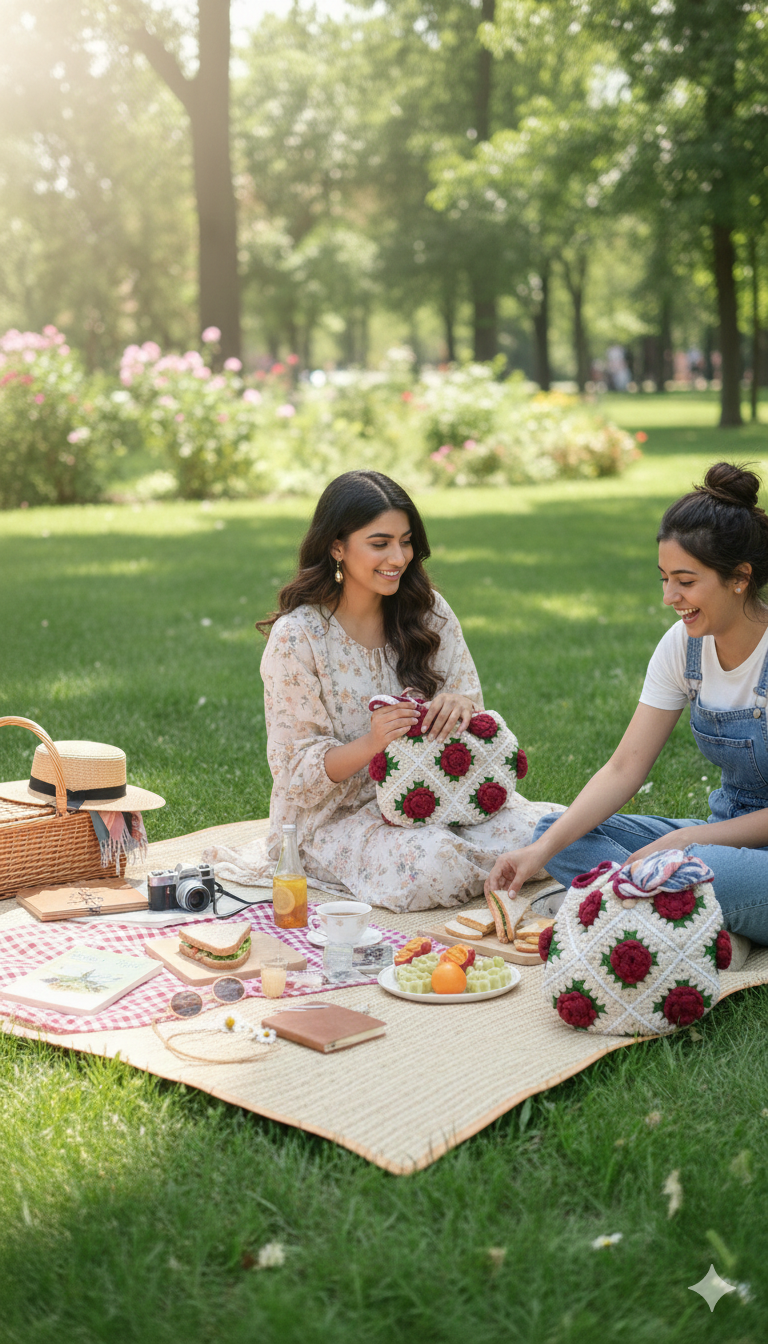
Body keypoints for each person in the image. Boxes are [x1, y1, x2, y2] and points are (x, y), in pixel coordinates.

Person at [207, 469, 555, 912]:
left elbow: (471, 717)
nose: (398, 557)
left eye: (405, 541)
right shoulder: (299, 637)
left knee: (551, 831)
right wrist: (373, 742)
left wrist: (460, 705)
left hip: (439, 797)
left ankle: (494, 860)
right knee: (432, 865)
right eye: (380, 543)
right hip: (336, 820)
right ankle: (485, 866)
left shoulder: (429, 612)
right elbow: (296, 776)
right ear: (337, 546)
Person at [486, 462, 768, 953]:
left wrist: (679, 846)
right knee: (559, 833)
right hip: (718, 835)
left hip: (724, 851)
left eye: (685, 581)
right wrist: (540, 851)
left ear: (740, 577)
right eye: (664, 578)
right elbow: (623, 768)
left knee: (697, 866)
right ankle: (686, 917)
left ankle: (656, 908)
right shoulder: (683, 646)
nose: (669, 597)